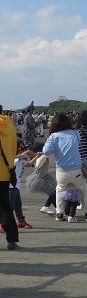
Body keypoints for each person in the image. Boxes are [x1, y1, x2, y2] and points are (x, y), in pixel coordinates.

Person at [42, 113, 87, 222]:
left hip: (61, 171)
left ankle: (59, 214)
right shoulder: (75, 133)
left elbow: (46, 151)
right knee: (83, 189)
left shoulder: (53, 136)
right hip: (77, 169)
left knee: (60, 190)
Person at [1, 104, 20, 249]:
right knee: (5, 207)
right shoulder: (9, 126)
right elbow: (14, 147)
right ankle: (11, 239)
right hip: (6, 171)